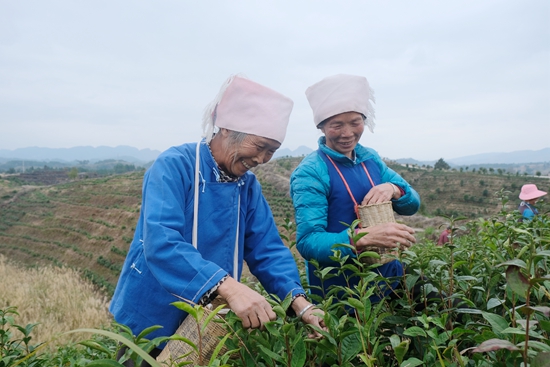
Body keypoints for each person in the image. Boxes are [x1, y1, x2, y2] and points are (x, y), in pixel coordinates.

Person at [110, 75, 324, 366]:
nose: (262, 159)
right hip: (153, 313)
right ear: (226, 128)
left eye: (271, 151)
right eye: (259, 146)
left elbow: (267, 250)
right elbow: (162, 241)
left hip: (209, 320)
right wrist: (229, 286)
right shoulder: (175, 166)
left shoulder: (247, 186)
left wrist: (300, 304)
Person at [290, 74, 421, 303]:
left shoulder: (370, 159)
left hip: (389, 278)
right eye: (336, 125)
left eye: (355, 122)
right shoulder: (311, 171)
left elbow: (413, 204)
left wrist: (393, 188)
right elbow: (308, 242)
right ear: (321, 127)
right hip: (343, 294)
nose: (347, 133)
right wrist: (361, 238)